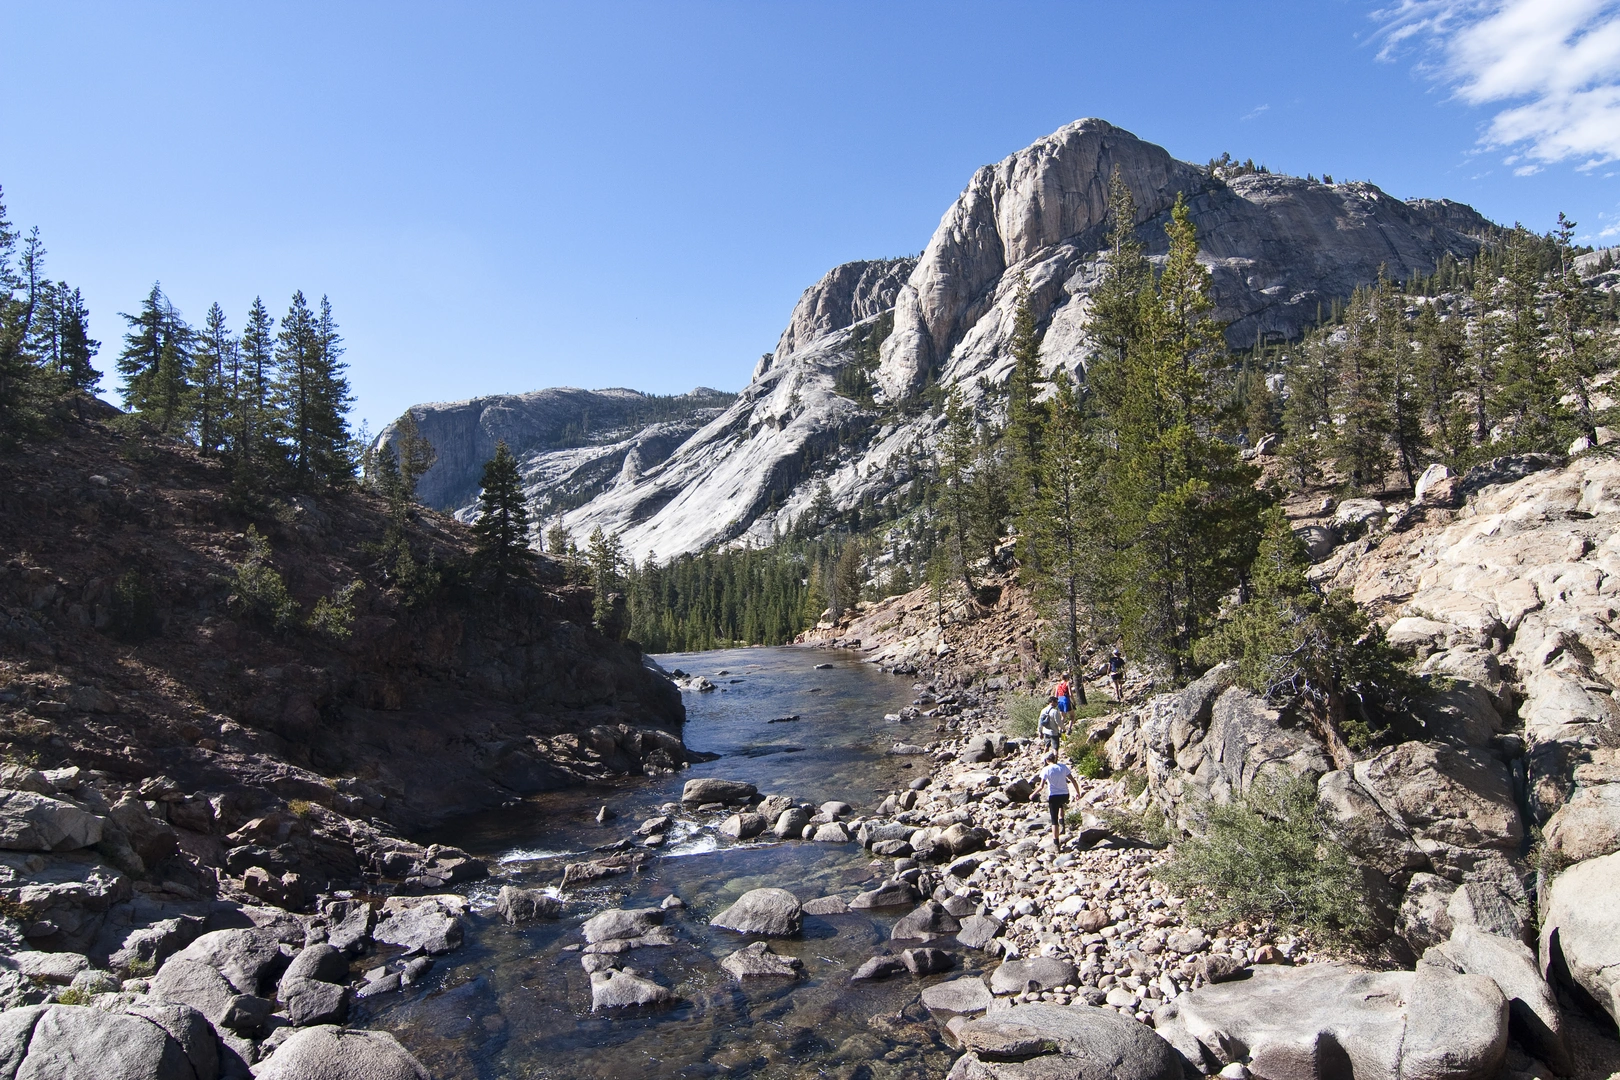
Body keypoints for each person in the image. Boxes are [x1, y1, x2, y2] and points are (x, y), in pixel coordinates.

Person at [1032, 751, 1078, 844]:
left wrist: (1032, 794)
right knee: (1060, 805)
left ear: (1047, 760)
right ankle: (1062, 825)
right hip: (1065, 795)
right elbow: (1073, 780)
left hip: (1054, 796)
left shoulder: (1046, 769)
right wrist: (1078, 793)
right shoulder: (1063, 767)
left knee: (1054, 820)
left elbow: (1041, 786)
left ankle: (1056, 843)